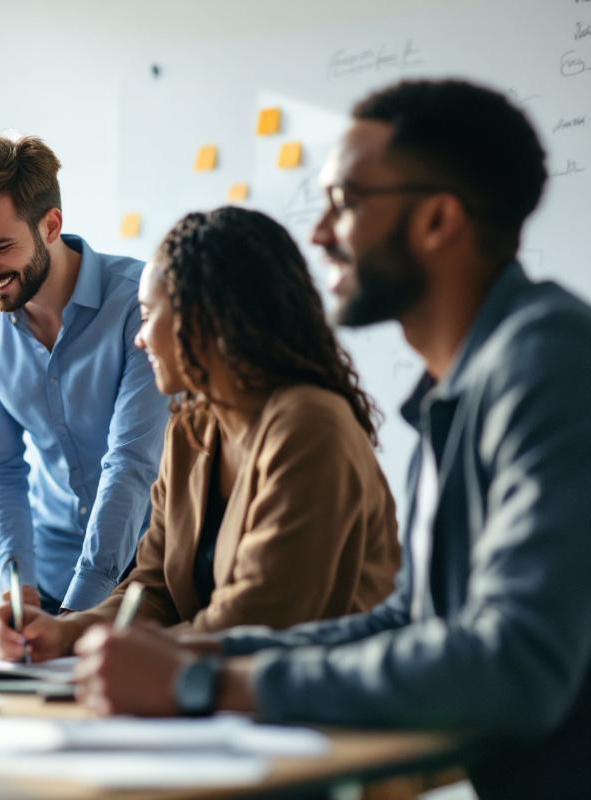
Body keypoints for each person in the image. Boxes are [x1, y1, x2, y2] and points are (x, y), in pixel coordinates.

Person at [71, 79, 591, 799]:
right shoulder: (458, 386)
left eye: (345, 202)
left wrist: (201, 679)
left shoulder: (548, 362)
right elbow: (409, 620)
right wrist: (198, 652)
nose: (318, 234)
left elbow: (516, 664)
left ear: (439, 220)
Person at [0, 207, 400, 662]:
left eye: (148, 316)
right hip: (222, 702)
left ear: (203, 319)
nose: (141, 339)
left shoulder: (310, 425)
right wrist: (65, 633)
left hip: (324, 711)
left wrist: (128, 651)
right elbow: (155, 586)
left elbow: (260, 619)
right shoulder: (192, 428)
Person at [0, 134, 170, 614]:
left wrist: (75, 614)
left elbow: (130, 465)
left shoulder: (140, 304)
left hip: (154, 572)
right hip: (52, 574)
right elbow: (0, 468)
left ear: (50, 225)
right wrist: (19, 590)